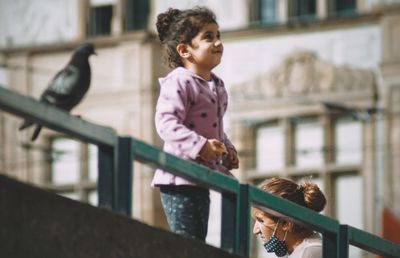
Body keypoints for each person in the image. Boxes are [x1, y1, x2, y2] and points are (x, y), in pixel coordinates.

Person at [151, 7, 239, 241]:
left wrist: (226, 149)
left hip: (200, 176)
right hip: (178, 177)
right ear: (185, 50)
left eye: (218, 35)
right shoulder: (179, 81)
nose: (218, 42)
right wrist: (201, 146)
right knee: (189, 242)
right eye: (208, 37)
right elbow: (166, 122)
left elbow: (214, 127)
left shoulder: (217, 85)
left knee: (198, 239)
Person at [252, 177, 327, 257]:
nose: (255, 230)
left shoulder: (308, 253)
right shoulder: (305, 251)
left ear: (286, 223)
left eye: (261, 220)